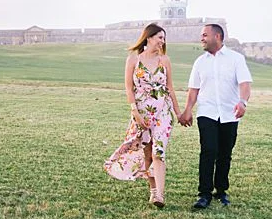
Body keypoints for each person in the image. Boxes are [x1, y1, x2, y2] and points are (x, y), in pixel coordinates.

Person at [104, 23, 183, 208]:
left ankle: (160, 195)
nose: (162, 42)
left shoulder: (165, 60)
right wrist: (135, 111)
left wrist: (178, 113)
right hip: (142, 113)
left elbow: (170, 88)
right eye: (159, 38)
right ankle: (153, 191)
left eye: (164, 39)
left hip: (162, 112)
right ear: (149, 38)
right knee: (147, 152)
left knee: (159, 152)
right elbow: (129, 89)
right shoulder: (133, 60)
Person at [180, 24, 252, 209]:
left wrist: (243, 102)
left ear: (217, 36)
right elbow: (193, 89)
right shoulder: (200, 62)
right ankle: (204, 194)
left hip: (230, 113)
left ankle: (221, 191)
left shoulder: (236, 59)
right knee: (208, 151)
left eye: (205, 35)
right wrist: (188, 109)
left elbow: (244, 83)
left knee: (224, 154)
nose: (201, 38)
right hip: (207, 112)